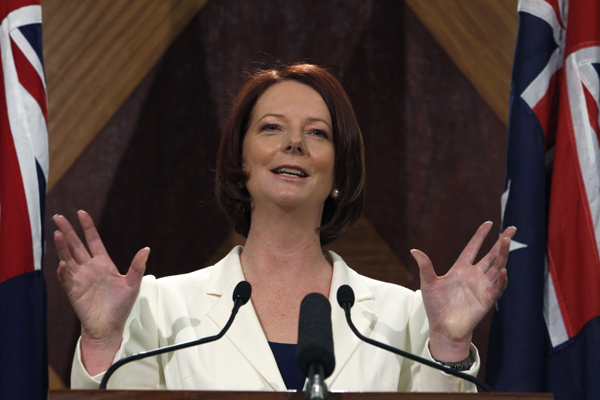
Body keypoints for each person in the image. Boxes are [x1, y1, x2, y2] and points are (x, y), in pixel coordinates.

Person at [53, 63, 516, 392]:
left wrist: (452, 345)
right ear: (240, 159)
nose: (294, 143)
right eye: (272, 128)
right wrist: (100, 342)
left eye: (317, 133)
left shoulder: (404, 318)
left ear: (339, 174)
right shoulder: (158, 309)